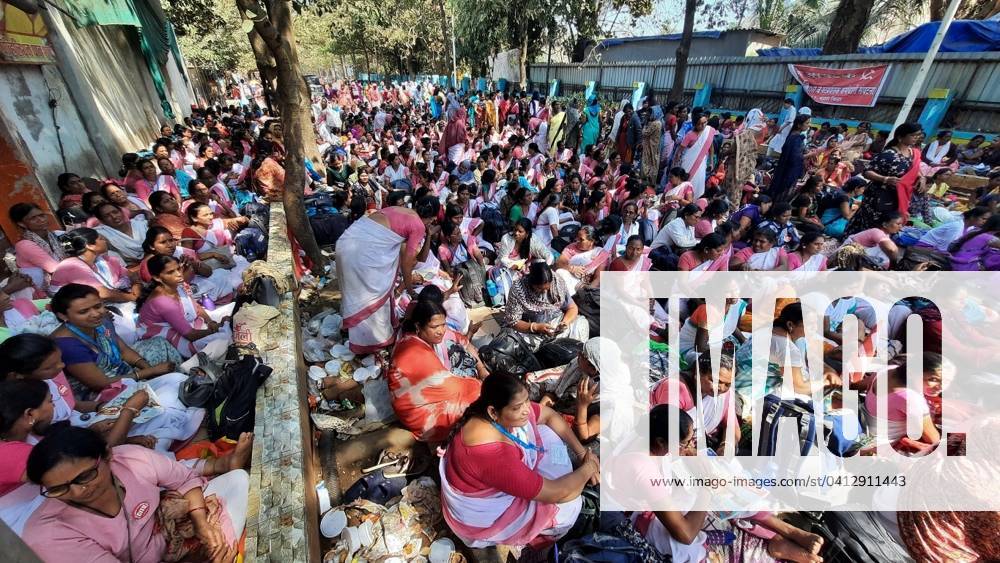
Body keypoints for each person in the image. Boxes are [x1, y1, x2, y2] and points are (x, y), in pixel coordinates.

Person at [23, 427, 248, 563]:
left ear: (108, 455)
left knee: (238, 480)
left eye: (85, 477)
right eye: (57, 489)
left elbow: (184, 479)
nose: (78, 491)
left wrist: (201, 523)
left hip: (171, 532)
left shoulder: (130, 458)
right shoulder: (50, 535)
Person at [439, 373, 597, 548]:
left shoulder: (488, 414)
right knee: (572, 507)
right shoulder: (493, 455)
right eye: (517, 407)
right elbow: (559, 493)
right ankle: (537, 540)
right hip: (487, 517)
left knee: (548, 432)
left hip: (510, 473)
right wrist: (589, 468)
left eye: (527, 400)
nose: (527, 410)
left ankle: (558, 477)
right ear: (493, 411)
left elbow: (549, 415)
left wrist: (582, 453)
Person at [336, 195, 440, 354]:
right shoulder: (418, 225)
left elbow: (420, 258)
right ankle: (371, 343)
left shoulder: (405, 211)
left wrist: (429, 236)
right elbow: (408, 262)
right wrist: (411, 290)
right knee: (374, 293)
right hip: (362, 252)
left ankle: (353, 330)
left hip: (346, 242)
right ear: (433, 218)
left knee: (358, 293)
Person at [385, 300, 482, 442]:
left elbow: (464, 342)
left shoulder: (414, 340)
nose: (441, 330)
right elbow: (451, 388)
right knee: (481, 400)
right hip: (419, 416)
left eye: (443, 324)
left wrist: (481, 370)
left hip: (416, 403)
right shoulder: (415, 353)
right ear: (418, 326)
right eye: (435, 326)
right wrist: (477, 384)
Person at [137, 256, 232, 359]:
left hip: (190, 326)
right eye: (170, 272)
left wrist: (210, 322)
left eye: (178, 269)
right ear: (157, 278)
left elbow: (196, 307)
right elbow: (190, 335)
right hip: (171, 337)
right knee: (224, 337)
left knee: (231, 314)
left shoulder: (178, 286)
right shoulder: (163, 302)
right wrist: (219, 328)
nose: (178, 274)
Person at [650, 353, 739, 453]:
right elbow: (668, 432)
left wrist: (726, 445)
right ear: (698, 372)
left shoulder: (724, 395)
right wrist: (692, 453)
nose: (721, 388)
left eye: (727, 384)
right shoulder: (676, 388)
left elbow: (733, 427)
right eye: (715, 381)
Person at [846, 122, 923, 236]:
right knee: (872, 224)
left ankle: (878, 246)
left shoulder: (914, 153)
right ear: (900, 137)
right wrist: (885, 179)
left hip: (899, 196)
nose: (916, 138)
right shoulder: (889, 154)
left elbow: (916, 170)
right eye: (913, 135)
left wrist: (922, 178)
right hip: (880, 197)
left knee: (890, 224)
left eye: (918, 135)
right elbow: (867, 172)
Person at [503, 262, 589, 351]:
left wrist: (564, 323)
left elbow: (572, 307)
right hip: (531, 329)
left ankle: (572, 353)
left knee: (582, 323)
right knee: (512, 346)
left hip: (556, 323)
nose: (544, 292)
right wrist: (535, 327)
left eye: (547, 288)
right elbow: (513, 321)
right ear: (531, 283)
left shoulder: (557, 282)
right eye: (540, 289)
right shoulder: (518, 289)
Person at [862, 354, 941, 449]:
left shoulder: (888, 370)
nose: (940, 387)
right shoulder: (912, 399)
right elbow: (933, 439)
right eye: (933, 379)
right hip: (876, 443)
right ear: (912, 373)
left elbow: (859, 385)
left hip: (863, 421)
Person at [182, 203, 249, 278]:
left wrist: (238, 221)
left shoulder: (216, 223)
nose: (210, 217)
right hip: (211, 269)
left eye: (211, 213)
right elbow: (189, 258)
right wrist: (214, 254)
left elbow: (244, 219)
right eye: (205, 215)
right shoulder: (188, 232)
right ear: (194, 218)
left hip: (227, 260)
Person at [491, 218, 552, 300]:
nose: (516, 233)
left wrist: (544, 270)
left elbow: (549, 255)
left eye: (520, 231)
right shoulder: (506, 238)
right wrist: (514, 264)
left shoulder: (533, 239)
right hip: (507, 267)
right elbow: (502, 258)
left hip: (525, 267)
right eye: (515, 230)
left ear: (527, 234)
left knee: (541, 263)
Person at [10, 203, 66, 291]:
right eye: (33, 218)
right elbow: (54, 268)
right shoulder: (24, 245)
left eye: (41, 215)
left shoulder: (54, 235)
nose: (40, 220)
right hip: (44, 290)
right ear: (22, 224)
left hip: (61, 279)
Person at [767, 114, 812, 202]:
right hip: (790, 171)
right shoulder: (796, 138)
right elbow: (795, 158)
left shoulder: (792, 136)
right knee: (784, 192)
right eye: (807, 123)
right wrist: (811, 154)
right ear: (799, 125)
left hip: (785, 169)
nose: (809, 125)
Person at [553, 225, 608, 295]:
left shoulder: (600, 253)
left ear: (592, 241)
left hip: (584, 286)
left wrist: (588, 290)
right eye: (577, 238)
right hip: (568, 279)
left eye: (581, 239)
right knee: (560, 272)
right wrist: (572, 268)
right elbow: (558, 263)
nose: (577, 241)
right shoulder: (571, 247)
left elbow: (598, 278)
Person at [93, 202, 149, 266]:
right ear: (102, 221)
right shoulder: (102, 234)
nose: (114, 217)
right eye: (107, 216)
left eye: (115, 212)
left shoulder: (141, 224)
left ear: (122, 212)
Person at [677, 109, 716, 199]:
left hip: (701, 164)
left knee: (697, 184)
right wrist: (677, 163)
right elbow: (680, 151)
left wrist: (711, 162)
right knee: (684, 182)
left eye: (704, 122)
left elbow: (711, 148)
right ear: (695, 124)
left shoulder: (709, 131)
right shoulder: (690, 135)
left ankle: (693, 201)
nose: (703, 126)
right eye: (699, 124)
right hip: (687, 163)